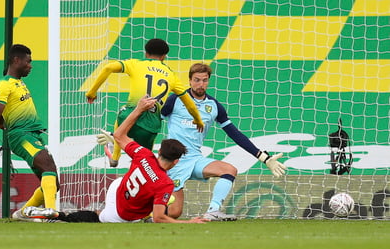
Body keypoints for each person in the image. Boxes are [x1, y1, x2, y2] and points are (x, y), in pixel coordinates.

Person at [50, 96, 208, 223]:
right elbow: (160, 217)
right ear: (176, 162)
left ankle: (63, 216)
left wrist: (139, 109)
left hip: (117, 187)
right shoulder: (165, 183)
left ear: (159, 151)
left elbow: (118, 135)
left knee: (106, 212)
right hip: (121, 213)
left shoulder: (144, 154)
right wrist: (189, 222)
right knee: (100, 218)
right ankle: (61, 217)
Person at [161, 63, 287, 221]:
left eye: (204, 80)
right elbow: (154, 122)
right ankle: (143, 214)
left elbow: (235, 134)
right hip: (174, 161)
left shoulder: (214, 106)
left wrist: (263, 158)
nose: (201, 84)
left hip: (195, 159)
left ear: (209, 81)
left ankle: (213, 211)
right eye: (197, 80)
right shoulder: (175, 99)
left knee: (229, 170)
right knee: (173, 213)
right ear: (190, 81)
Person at [86, 38, 204, 167]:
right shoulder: (171, 75)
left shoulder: (135, 64)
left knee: (122, 114)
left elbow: (108, 68)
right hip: (150, 125)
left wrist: (92, 92)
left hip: (129, 117)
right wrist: (198, 120)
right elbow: (189, 104)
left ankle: (115, 156)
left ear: (146, 53)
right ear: (164, 57)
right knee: (144, 162)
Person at [0, 44, 60, 220]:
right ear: (16, 60)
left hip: (32, 134)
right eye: (28, 61)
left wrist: (4, 123)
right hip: (21, 136)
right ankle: (52, 213)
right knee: (48, 166)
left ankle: (22, 213)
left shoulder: (19, 84)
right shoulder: (4, 84)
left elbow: (2, 118)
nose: (30, 65)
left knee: (53, 180)